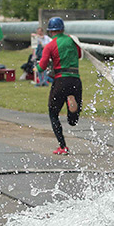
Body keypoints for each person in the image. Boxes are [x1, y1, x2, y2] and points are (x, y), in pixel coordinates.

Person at [37, 17, 82, 155]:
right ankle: (71, 106)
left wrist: (36, 67)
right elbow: (79, 55)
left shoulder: (50, 45)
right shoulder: (72, 40)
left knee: (53, 113)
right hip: (75, 79)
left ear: (51, 31)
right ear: (62, 29)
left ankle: (63, 146)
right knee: (73, 121)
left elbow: (42, 66)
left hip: (60, 81)